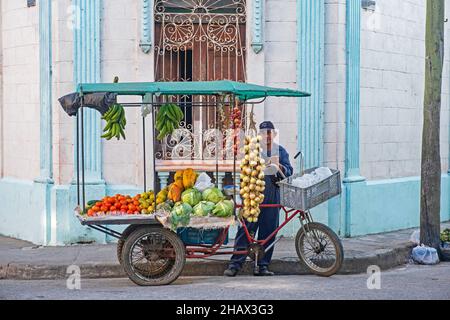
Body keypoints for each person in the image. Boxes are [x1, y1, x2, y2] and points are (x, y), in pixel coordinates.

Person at [224, 121, 293, 277]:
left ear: (274, 134)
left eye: (269, 133)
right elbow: (244, 171)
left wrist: (280, 166)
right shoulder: (252, 150)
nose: (266, 136)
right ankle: (235, 264)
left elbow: (289, 172)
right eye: (263, 133)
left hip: (273, 196)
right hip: (252, 196)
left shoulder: (281, 152)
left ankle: (263, 265)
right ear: (259, 135)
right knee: (246, 230)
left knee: (269, 231)